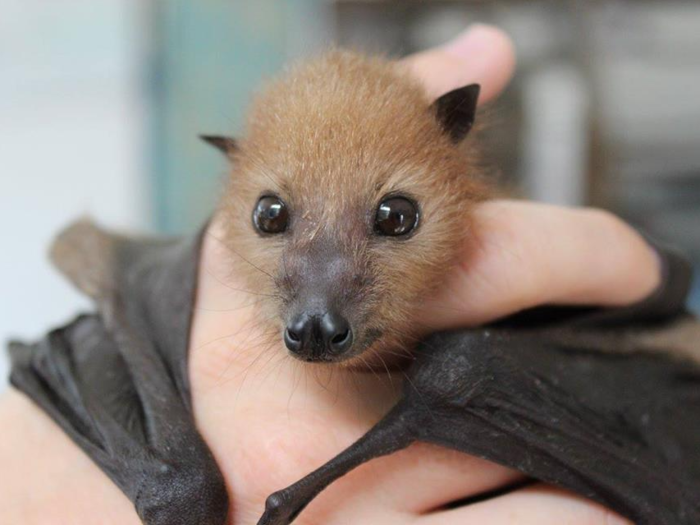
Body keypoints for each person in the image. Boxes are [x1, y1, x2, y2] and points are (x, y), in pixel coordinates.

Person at [0, 25, 658, 524]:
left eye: (394, 219)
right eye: (273, 217)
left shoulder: (526, 310)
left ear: (455, 185)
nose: (319, 298)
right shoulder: (162, 317)